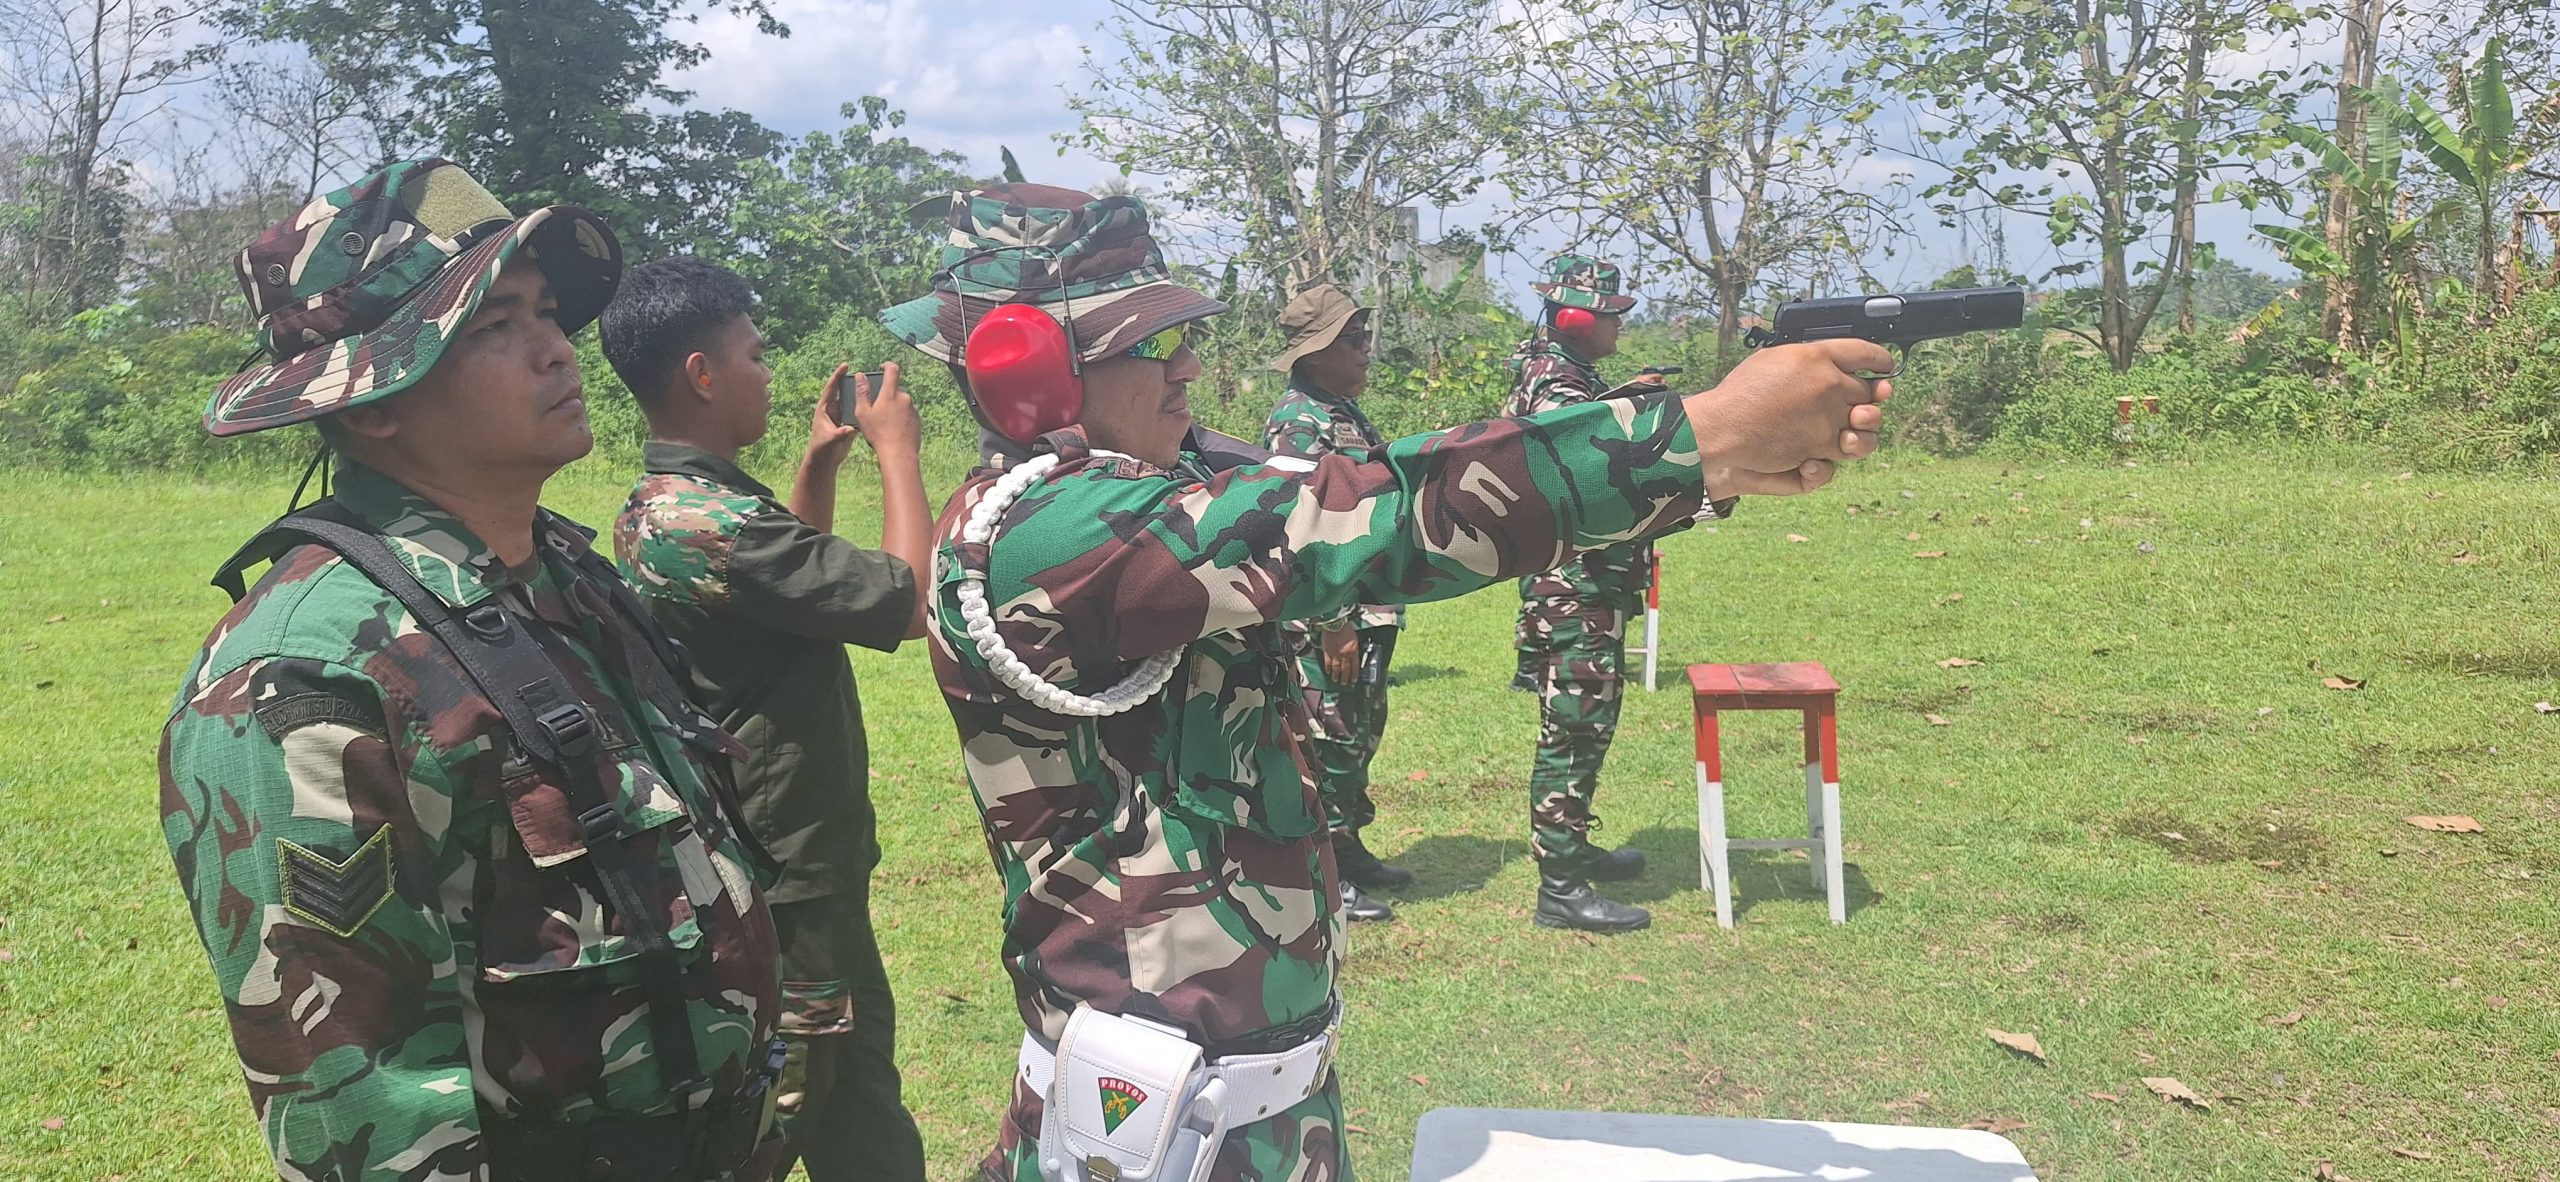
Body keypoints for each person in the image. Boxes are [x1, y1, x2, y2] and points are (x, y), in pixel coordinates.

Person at [877, 182, 1891, 1182]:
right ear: (1027, 377)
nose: (1186, 364)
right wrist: (1699, 432)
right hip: (1150, 1128)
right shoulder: (1039, 536)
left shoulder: (1150, 493)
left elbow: (1389, 474)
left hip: (1248, 1105)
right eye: (1144, 344)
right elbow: (1367, 518)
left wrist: (1708, 475)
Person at [159, 159, 788, 1182]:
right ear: (371, 406)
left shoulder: (562, 576)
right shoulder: (303, 677)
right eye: (494, 327)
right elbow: (359, 1108)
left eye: (546, 311)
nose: (556, 349)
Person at [601, 257, 932, 1182]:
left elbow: (792, 576)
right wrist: (897, 451)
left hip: (796, 864)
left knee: (861, 1104)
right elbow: (905, 605)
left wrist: (821, 459)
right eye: (755, 354)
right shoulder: (710, 525)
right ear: (702, 375)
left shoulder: (675, 505)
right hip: (786, 877)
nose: (769, 371)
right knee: (781, 1116)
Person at [1503, 253, 1675, 934]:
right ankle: (1562, 889)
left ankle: (1573, 850)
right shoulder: (1555, 380)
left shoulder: (1567, 374)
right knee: (1573, 730)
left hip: (1586, 582)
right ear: (1575, 317)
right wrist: (1631, 407)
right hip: (1574, 587)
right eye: (1609, 317)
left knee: (1587, 726)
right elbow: (1568, 453)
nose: (1617, 328)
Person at [1262, 284, 1409, 924]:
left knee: (1357, 734)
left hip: (1366, 608)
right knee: (1325, 742)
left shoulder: (1342, 410)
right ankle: (1323, 877)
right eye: (1353, 340)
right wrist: (1333, 623)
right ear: (1316, 354)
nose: (1366, 350)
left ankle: (1349, 849)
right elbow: (1305, 534)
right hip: (1329, 616)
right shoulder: (1299, 423)